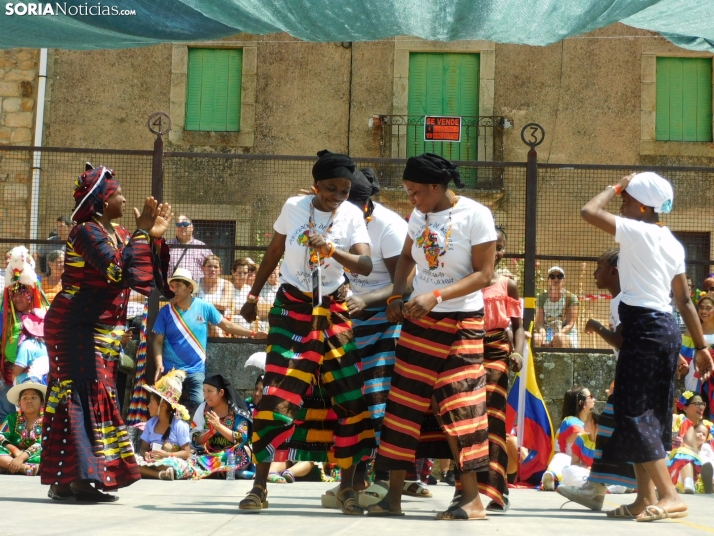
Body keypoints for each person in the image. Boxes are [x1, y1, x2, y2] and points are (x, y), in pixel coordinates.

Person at [238, 150, 375, 515]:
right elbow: (274, 250)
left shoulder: (351, 216)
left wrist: (333, 250)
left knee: (349, 395)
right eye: (331, 189)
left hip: (332, 310)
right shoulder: (294, 206)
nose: (337, 197)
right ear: (316, 185)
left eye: (344, 190)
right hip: (292, 308)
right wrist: (253, 295)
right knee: (274, 395)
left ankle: (346, 488)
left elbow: (365, 263)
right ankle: (259, 486)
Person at [367, 153, 497, 521]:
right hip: (419, 322)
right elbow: (407, 258)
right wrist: (397, 294)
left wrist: (436, 296)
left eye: (415, 192)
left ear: (437, 187)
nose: (411, 200)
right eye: (408, 193)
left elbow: (485, 275)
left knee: (461, 404)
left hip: (461, 321)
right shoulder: (419, 216)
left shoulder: (476, 215)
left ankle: (471, 499)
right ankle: (393, 497)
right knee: (403, 406)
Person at [578, 171, 714, 522]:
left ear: (641, 205)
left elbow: (588, 212)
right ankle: (643, 498)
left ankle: (669, 496)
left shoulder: (637, 230)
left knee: (636, 414)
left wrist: (614, 185)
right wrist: (700, 348)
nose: (621, 204)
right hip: (663, 328)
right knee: (639, 413)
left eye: (626, 199)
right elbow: (683, 300)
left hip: (645, 329)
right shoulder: (672, 242)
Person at [41, 164, 174, 502]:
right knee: (83, 394)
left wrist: (153, 237)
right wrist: (143, 233)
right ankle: (79, 479)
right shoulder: (85, 232)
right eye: (117, 194)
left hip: (101, 329)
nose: (124, 198)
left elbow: (146, 277)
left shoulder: (122, 235)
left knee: (93, 396)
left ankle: (69, 479)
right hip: (74, 326)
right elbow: (117, 271)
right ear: (101, 202)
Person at [557, 248, 638, 512]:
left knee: (623, 434)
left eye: (599, 267)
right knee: (611, 432)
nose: (594, 273)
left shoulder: (622, 300)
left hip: (633, 377)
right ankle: (598, 489)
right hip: (628, 375)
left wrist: (596, 326)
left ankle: (604, 489)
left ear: (614, 271)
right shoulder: (621, 299)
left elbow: (623, 343)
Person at [152, 268, 266, 416]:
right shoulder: (165, 312)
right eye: (172, 286)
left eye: (178, 286)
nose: (174, 289)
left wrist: (252, 334)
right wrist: (159, 365)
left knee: (200, 403)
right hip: (170, 371)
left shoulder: (204, 307)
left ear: (190, 287)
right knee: (163, 406)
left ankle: (190, 434)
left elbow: (227, 325)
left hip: (196, 371)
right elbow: (157, 342)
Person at [475, 226, 524, 511]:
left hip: (496, 351)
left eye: (502, 247)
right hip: (467, 350)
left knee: (493, 418)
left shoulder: (509, 284)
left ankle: (497, 489)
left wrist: (517, 352)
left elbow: (517, 327)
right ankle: (467, 487)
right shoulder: (466, 281)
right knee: (468, 419)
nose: (499, 252)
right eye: (494, 245)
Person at [136, 369, 202, 481]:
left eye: (151, 401)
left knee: (171, 464)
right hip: (154, 461)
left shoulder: (179, 425)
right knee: (132, 461)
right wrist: (146, 454)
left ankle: (161, 471)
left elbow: (186, 453)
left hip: (170, 461)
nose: (148, 405)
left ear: (163, 406)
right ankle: (160, 475)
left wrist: (167, 456)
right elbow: (143, 449)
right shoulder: (150, 424)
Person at [191, 374, 253, 477]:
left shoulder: (237, 411)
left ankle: (212, 472)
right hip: (210, 456)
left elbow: (242, 439)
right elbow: (194, 438)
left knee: (245, 452)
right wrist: (210, 433)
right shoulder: (203, 409)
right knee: (191, 456)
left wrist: (219, 427)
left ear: (221, 392)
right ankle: (222, 472)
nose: (206, 395)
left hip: (231, 456)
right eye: (204, 391)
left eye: (209, 391)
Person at [541, 386, 594, 491]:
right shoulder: (566, 429)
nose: (594, 400)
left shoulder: (596, 425)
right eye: (590, 397)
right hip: (575, 469)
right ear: (581, 402)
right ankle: (552, 478)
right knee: (560, 457)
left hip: (593, 467)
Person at [667, 392, 713, 494]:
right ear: (685, 408)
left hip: (703, 463)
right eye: (697, 404)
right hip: (675, 461)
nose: (701, 407)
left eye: (702, 404)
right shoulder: (677, 420)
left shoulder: (708, 426)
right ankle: (689, 483)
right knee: (681, 454)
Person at [0, 378, 45, 476]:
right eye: (25, 398)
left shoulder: (47, 420)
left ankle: (8, 466)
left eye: (33, 398)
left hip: (37, 455)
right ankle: (25, 468)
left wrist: (21, 457)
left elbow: (42, 442)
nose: (29, 401)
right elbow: (1, 436)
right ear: (19, 403)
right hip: (14, 455)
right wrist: (16, 452)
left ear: (42, 402)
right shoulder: (12, 418)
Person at [534, 266, 579, 348]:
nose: (556, 279)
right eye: (552, 276)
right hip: (548, 333)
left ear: (564, 280)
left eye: (559, 276)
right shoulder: (541, 298)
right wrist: (544, 336)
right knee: (535, 338)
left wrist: (556, 336)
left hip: (566, 334)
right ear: (548, 280)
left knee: (558, 339)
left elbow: (570, 324)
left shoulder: (571, 297)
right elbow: (539, 323)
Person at [680, 294, 714, 393]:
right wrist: (684, 368)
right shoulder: (692, 330)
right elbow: (684, 355)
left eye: (708, 308)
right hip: (695, 374)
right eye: (701, 308)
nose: (704, 311)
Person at [197, 255, 234, 337]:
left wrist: (202, 304)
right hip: (198, 317)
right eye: (209, 266)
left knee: (213, 324)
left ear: (220, 270)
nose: (212, 269)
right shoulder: (196, 283)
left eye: (216, 267)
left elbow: (224, 305)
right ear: (203, 268)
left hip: (222, 318)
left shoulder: (227, 284)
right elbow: (190, 303)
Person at [167, 215, 213, 281]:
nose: (182, 227)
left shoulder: (202, 247)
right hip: (172, 288)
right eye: (179, 224)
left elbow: (211, 269)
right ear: (176, 228)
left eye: (185, 224)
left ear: (192, 228)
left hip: (196, 289)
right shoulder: (167, 245)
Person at [11, 308, 48, 386]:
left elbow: (17, 370)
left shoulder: (27, 345)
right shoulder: (47, 344)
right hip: (44, 384)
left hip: (27, 385)